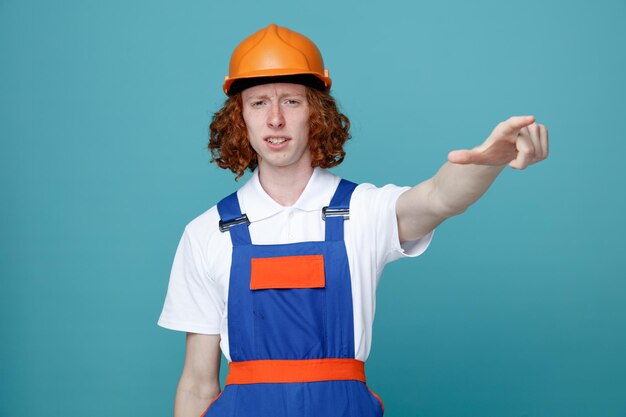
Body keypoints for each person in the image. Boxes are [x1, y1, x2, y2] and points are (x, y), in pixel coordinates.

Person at [158, 24, 549, 417]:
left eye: (292, 101)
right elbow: (197, 383)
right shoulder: (207, 232)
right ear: (239, 117)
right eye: (259, 102)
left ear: (317, 113)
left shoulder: (363, 210)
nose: (275, 119)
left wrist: (489, 161)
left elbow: (438, 197)